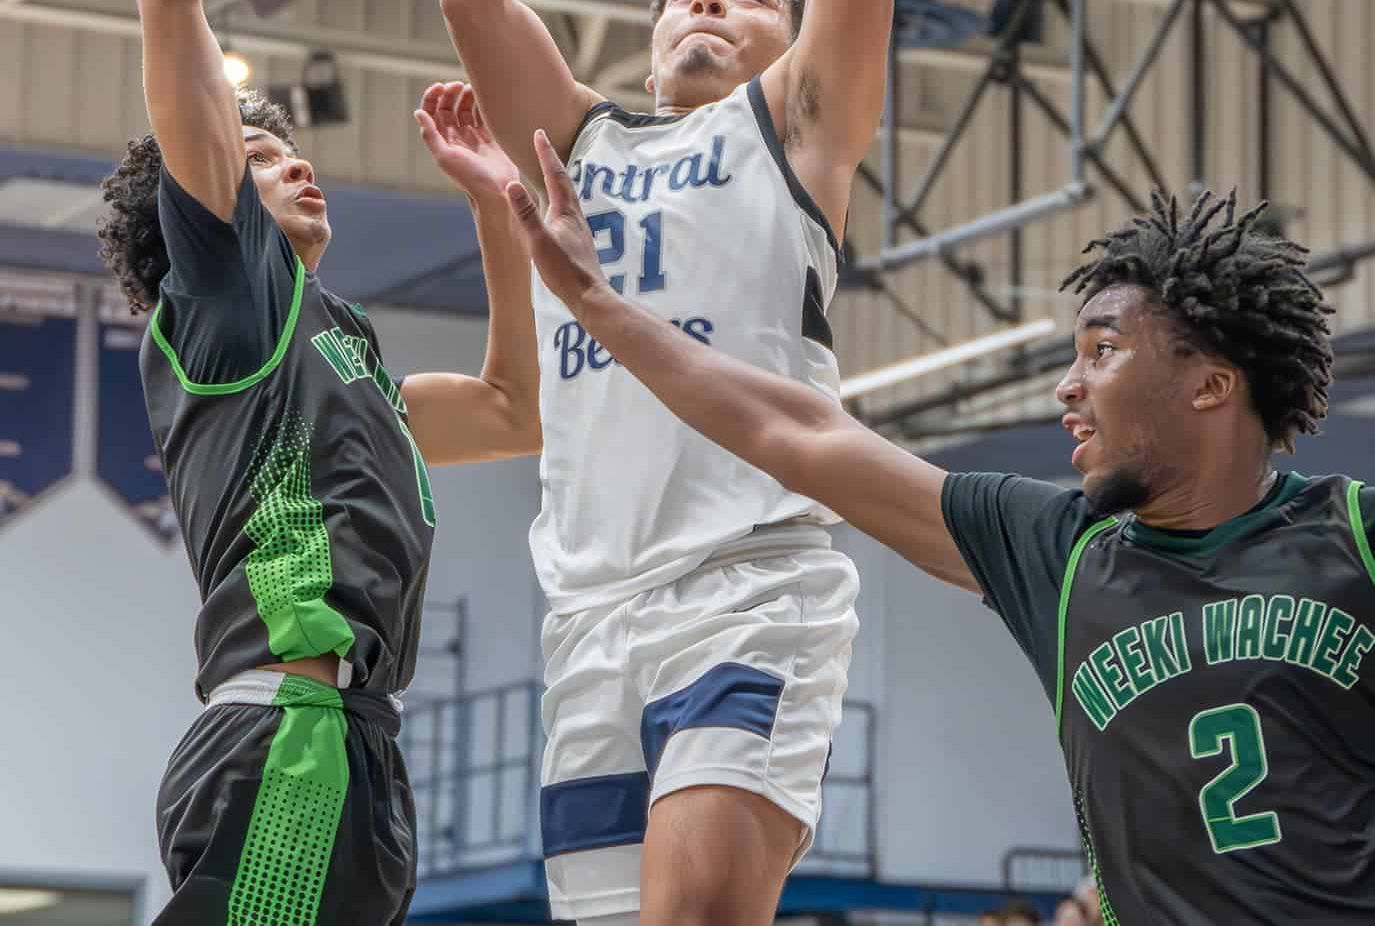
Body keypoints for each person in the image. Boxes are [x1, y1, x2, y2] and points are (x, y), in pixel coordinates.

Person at [439, 0, 988, 926]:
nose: (707, 1)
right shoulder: (577, 142)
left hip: (747, 578)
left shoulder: (796, 123)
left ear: (783, 38)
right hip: (589, 616)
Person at [507, 152, 1375, 926]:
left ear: (1211, 385)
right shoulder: (1059, 552)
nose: (1068, 387)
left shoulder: (1355, 536)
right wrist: (597, 303)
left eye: (1101, 351)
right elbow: (802, 434)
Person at [98, 0, 542, 925]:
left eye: (295, 144)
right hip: (284, 733)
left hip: (362, 749)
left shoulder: (338, 346)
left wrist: (498, 207)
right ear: (202, 209)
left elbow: (512, 410)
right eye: (258, 153)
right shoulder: (230, 303)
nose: (294, 156)